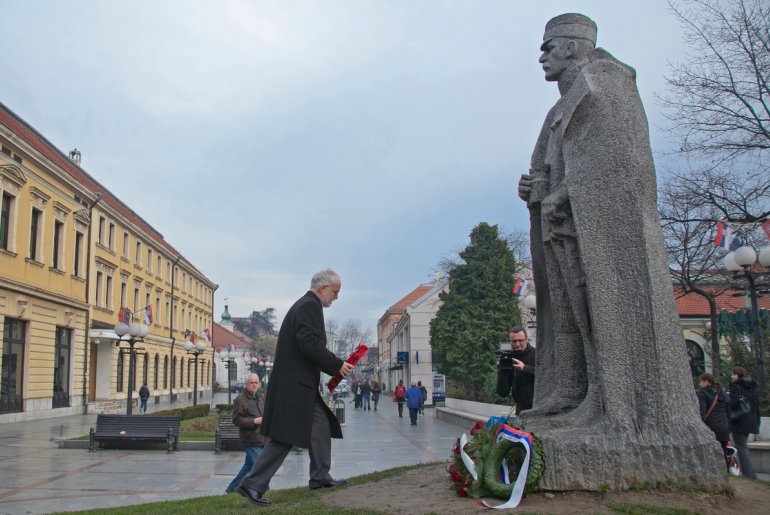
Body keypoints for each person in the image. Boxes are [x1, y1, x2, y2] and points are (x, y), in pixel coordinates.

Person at [236, 269, 354, 507]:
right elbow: (309, 343)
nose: (336, 297)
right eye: (335, 292)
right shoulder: (309, 306)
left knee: (320, 427)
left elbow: (308, 344)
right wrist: (337, 365)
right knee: (284, 436)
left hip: (301, 386)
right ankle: (251, 484)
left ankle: (320, 477)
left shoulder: (308, 305)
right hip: (295, 387)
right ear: (322, 289)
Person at [226, 374, 267, 494]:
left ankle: (232, 488)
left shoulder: (261, 397)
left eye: (256, 382)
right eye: (251, 382)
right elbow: (236, 420)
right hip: (251, 439)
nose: (254, 385)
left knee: (249, 466)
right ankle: (265, 490)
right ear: (246, 384)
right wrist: (253, 421)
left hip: (262, 437)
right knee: (261, 466)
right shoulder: (240, 399)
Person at [729, 366, 760, 479]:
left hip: (739, 420)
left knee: (740, 447)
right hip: (751, 420)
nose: (732, 376)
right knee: (743, 445)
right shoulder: (753, 387)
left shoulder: (735, 386)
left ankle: (749, 473)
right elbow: (756, 405)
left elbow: (733, 403)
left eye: (733, 374)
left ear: (738, 375)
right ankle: (749, 472)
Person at [495, 327, 536, 412]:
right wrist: (502, 370)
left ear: (526, 339)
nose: (517, 344)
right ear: (510, 342)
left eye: (520, 340)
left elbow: (545, 374)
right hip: (520, 410)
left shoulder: (536, 354)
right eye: (514, 341)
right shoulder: (508, 358)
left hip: (537, 409)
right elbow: (503, 393)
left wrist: (524, 368)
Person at [697, 373, 731, 470]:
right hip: (723, 425)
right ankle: (725, 470)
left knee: (710, 450)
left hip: (711, 425)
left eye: (701, 381)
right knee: (723, 449)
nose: (700, 384)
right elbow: (728, 411)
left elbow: (702, 411)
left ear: (706, 381)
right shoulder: (722, 392)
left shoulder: (703, 393)